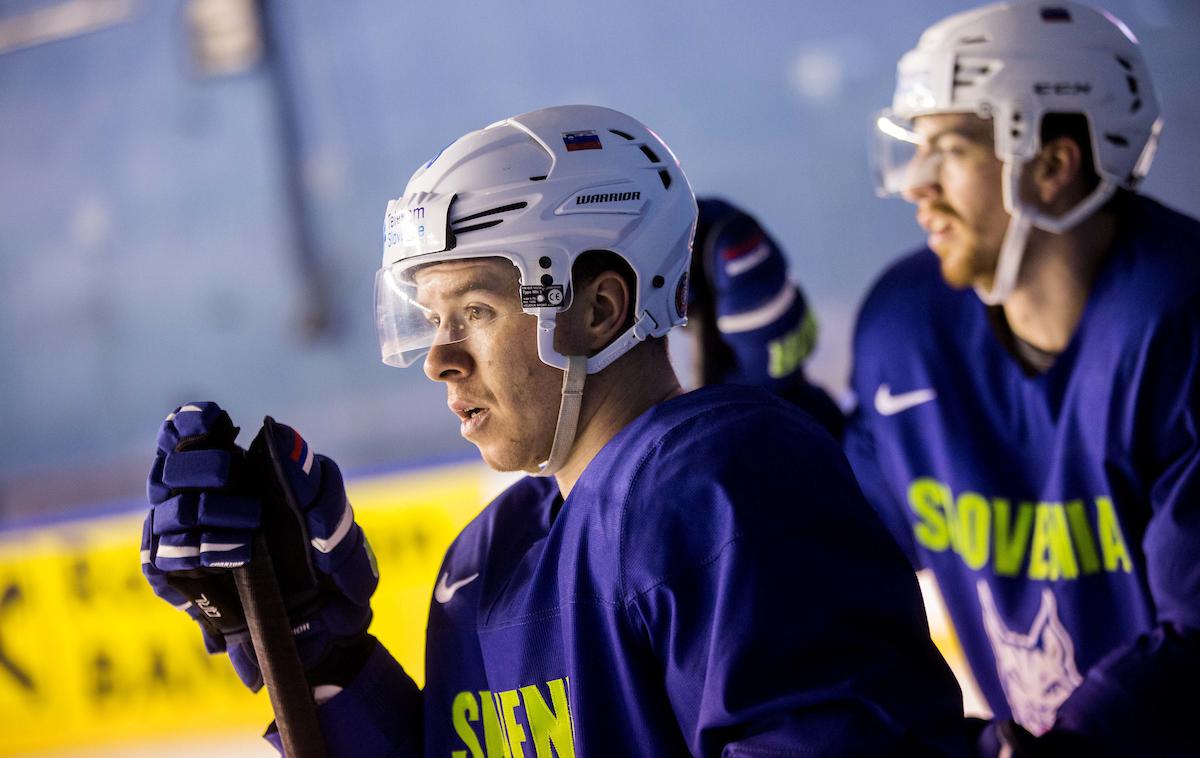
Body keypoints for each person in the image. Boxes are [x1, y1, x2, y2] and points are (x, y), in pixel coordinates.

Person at [140, 105, 970, 756]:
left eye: (475, 310)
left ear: (602, 309)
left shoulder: (724, 486)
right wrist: (315, 655)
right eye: (432, 319)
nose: (440, 360)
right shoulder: (484, 562)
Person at [692, 2, 1200, 755]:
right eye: (914, 148)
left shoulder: (1179, 321)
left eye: (951, 150)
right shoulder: (910, 326)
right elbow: (847, 537)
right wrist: (770, 392)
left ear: (1054, 164)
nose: (914, 185)